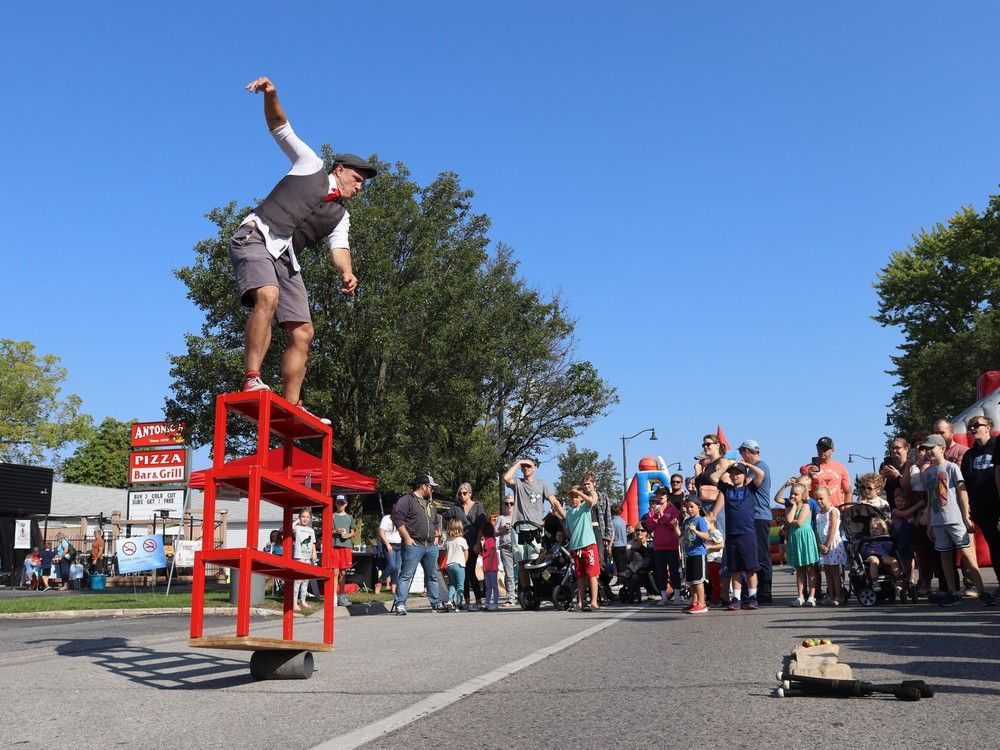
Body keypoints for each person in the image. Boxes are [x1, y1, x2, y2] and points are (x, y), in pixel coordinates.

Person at [229, 76, 376, 418]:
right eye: (357, 179)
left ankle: (293, 405)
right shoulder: (310, 165)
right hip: (256, 235)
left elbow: (339, 249)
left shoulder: (340, 216)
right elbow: (280, 126)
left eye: (363, 185)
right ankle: (252, 378)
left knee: (304, 331)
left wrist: (348, 271)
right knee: (267, 295)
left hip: (285, 257)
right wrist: (271, 94)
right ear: (340, 170)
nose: (360, 187)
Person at [920, 435, 993, 607]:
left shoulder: (952, 467)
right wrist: (929, 522)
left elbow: (962, 491)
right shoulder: (929, 473)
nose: (929, 451)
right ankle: (953, 592)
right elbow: (931, 498)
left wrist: (966, 516)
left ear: (942, 448)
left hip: (954, 517)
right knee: (945, 556)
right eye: (926, 449)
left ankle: (982, 590)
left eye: (932, 448)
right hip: (938, 521)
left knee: (968, 554)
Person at [709, 460, 767, 610]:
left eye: (738, 474)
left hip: (748, 533)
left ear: (744, 476)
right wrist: (727, 467)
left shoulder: (750, 489)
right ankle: (736, 598)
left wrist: (746, 465)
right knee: (735, 569)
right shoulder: (727, 489)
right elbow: (713, 477)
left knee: (751, 568)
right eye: (732, 474)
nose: (735, 476)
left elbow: (761, 474)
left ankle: (753, 597)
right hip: (732, 534)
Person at [392, 474, 447, 615]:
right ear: (424, 486)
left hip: (430, 545)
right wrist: (407, 537)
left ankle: (436, 603)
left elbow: (435, 522)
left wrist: (436, 537)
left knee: (432, 575)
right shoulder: (407, 500)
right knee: (406, 575)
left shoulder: (431, 503)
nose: (432, 490)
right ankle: (400, 604)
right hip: (414, 545)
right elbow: (397, 518)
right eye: (431, 487)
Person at [503, 458, 558, 592]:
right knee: (522, 563)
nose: (526, 468)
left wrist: (564, 517)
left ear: (534, 468)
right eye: (524, 467)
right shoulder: (518, 483)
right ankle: (527, 592)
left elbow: (554, 501)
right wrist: (518, 463)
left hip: (535, 528)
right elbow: (506, 478)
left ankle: (539, 590)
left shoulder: (542, 484)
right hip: (518, 528)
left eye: (529, 466)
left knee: (536, 562)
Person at [960, 416, 1000, 586]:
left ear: (988, 427)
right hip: (982, 510)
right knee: (996, 548)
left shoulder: (997, 446)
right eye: (970, 426)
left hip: (998, 505)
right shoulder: (969, 455)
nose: (973, 429)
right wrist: (967, 512)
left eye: (977, 425)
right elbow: (964, 486)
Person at [550, 485, 601, 611]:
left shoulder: (585, 507)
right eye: (571, 497)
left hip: (588, 545)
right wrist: (556, 511)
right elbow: (567, 529)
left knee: (592, 574)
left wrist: (580, 492)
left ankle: (594, 602)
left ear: (581, 498)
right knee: (580, 575)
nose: (573, 499)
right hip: (576, 547)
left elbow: (591, 501)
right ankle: (580, 602)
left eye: (576, 497)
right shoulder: (570, 513)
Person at [739, 439, 774, 604]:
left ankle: (765, 592)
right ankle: (757, 590)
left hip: (759, 516)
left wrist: (743, 468)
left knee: (762, 556)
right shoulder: (757, 466)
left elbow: (746, 484)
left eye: (742, 454)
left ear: (747, 452)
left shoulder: (761, 466)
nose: (742, 458)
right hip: (754, 517)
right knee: (754, 555)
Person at [448, 483, 486, 611]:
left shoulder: (478, 506)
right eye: (460, 493)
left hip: (472, 543)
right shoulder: (456, 508)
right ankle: (466, 601)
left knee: (471, 572)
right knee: (462, 573)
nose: (462, 496)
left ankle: (479, 600)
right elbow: (446, 518)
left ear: (470, 493)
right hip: (459, 544)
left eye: (464, 493)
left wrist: (477, 543)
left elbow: (481, 526)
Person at [643, 486, 683, 605]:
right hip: (658, 546)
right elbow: (650, 527)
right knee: (661, 572)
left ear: (667, 496)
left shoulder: (673, 509)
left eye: (663, 494)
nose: (661, 496)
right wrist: (655, 516)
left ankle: (677, 595)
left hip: (671, 545)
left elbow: (673, 525)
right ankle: (663, 596)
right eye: (658, 494)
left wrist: (663, 517)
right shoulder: (652, 510)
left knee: (674, 571)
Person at [784, 481, 820, 606]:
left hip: (805, 538)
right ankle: (800, 596)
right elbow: (789, 520)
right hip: (795, 539)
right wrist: (793, 507)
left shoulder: (806, 506)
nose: (793, 496)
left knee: (810, 569)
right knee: (799, 569)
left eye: (796, 494)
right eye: (791, 493)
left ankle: (812, 596)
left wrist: (793, 515)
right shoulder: (790, 507)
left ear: (803, 496)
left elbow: (798, 522)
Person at [676, 498, 710, 614]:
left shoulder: (700, 520)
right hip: (688, 553)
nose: (689, 509)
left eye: (692, 507)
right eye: (687, 507)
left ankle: (702, 603)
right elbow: (680, 535)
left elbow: (706, 536)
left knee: (698, 580)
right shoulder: (686, 521)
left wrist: (695, 531)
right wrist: (675, 526)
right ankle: (694, 602)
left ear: (698, 507)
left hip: (698, 553)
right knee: (690, 581)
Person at [815, 488, 847, 606]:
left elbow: (832, 529)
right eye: (817, 499)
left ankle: (839, 596)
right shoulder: (818, 514)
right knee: (827, 571)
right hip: (823, 545)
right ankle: (831, 595)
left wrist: (827, 545)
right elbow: (818, 531)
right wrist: (820, 545)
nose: (819, 501)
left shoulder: (833, 511)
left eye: (821, 498)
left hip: (832, 544)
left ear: (828, 497)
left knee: (834, 571)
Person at [799, 436, 852, 507]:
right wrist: (809, 475)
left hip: (835, 509)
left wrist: (847, 509)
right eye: (819, 448)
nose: (821, 451)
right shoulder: (806, 468)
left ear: (832, 450)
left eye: (825, 449)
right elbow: (801, 489)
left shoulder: (841, 468)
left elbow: (848, 491)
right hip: (815, 510)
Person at [859, 515, 900, 595]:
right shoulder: (867, 539)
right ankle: (874, 581)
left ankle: (898, 580)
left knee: (894, 561)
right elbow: (862, 551)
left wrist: (886, 540)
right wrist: (863, 545)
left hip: (883, 555)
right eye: (872, 528)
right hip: (871, 555)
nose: (873, 530)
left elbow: (890, 549)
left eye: (876, 529)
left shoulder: (884, 540)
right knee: (874, 561)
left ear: (883, 530)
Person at [583, 471, 613, 566]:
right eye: (584, 484)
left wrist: (607, 537)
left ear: (594, 484)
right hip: (586, 531)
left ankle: (600, 579)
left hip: (599, 531)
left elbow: (608, 517)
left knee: (600, 559)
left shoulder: (603, 497)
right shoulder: (582, 498)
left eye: (588, 484)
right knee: (588, 559)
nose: (586, 486)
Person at [291, 509, 317, 612]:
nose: (305, 519)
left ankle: (303, 600)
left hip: (308, 557)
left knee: (306, 579)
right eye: (303, 516)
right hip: (299, 556)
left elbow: (313, 542)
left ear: (310, 519)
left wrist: (314, 552)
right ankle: (294, 602)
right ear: (299, 517)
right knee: (298, 580)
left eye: (307, 517)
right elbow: (291, 527)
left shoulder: (311, 530)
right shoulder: (297, 528)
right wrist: (297, 521)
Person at [332, 495, 355, 607]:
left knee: (343, 572)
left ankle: (341, 596)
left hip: (346, 546)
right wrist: (336, 530)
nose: (340, 505)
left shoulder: (350, 517)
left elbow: (352, 532)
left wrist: (347, 535)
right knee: (334, 572)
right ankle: (333, 597)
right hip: (334, 546)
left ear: (346, 504)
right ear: (335, 503)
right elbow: (327, 531)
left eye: (342, 503)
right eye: (338, 502)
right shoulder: (332, 516)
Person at [495, 496, 517, 607]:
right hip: (505, 546)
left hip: (518, 546)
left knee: (525, 570)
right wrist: (503, 530)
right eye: (506, 503)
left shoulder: (518, 516)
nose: (509, 505)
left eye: (511, 503)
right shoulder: (501, 518)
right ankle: (512, 596)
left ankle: (529, 593)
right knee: (509, 573)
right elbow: (494, 533)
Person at [443, 518, 469, 611]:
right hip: (459, 565)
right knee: (460, 585)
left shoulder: (448, 541)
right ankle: (459, 604)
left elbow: (445, 550)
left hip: (450, 565)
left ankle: (449, 601)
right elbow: (466, 552)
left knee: (452, 584)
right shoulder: (462, 540)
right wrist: (464, 562)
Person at [376, 510, 402, 596]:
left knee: (397, 567)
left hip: (399, 545)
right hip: (389, 544)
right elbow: (381, 532)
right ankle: (379, 582)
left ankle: (393, 588)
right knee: (391, 566)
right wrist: (387, 544)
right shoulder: (386, 518)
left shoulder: (402, 519)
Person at [704, 515, 725, 604]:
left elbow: (721, 544)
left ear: (711, 523)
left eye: (705, 523)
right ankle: (714, 597)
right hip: (709, 560)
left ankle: (717, 599)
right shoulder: (709, 533)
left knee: (716, 581)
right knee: (712, 581)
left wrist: (709, 547)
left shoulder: (715, 532)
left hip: (715, 560)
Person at [481, 523, 500, 612]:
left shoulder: (490, 540)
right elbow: (486, 553)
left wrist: (489, 564)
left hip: (491, 567)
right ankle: (487, 603)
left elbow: (492, 552)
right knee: (488, 586)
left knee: (494, 586)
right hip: (487, 567)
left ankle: (495, 603)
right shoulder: (487, 540)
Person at [610, 503, 629, 584]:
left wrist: (610, 545)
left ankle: (620, 580)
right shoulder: (622, 521)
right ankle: (624, 580)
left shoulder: (612, 522)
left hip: (616, 545)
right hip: (624, 545)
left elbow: (612, 534)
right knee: (624, 563)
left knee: (618, 564)